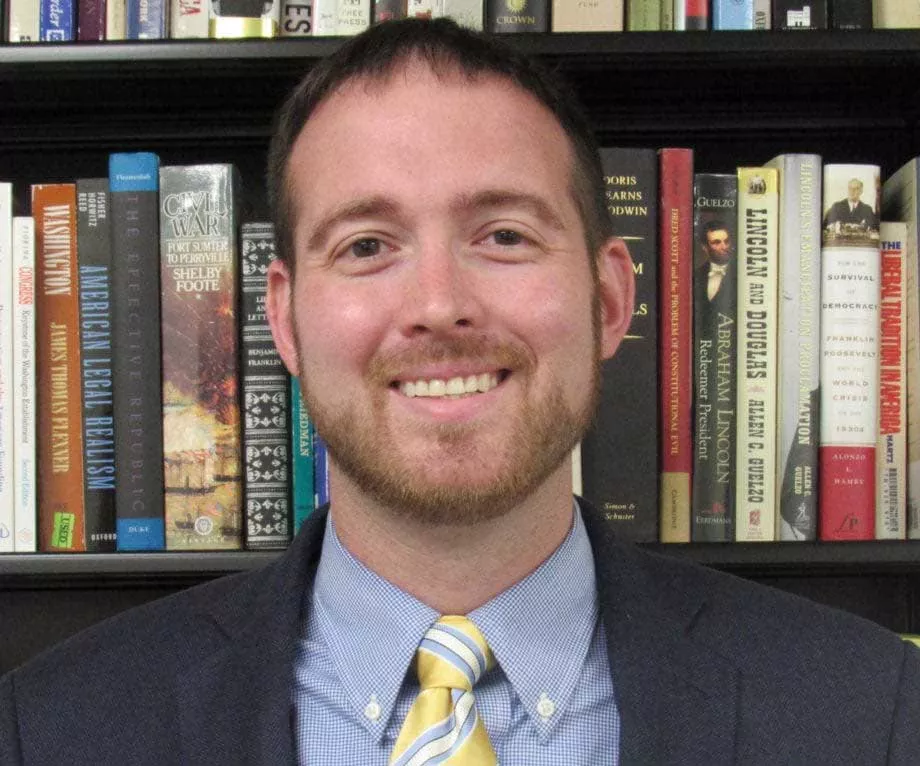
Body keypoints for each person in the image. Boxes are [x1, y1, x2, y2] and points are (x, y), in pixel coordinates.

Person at [2, 18, 919, 766]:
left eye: (505, 236)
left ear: (609, 300)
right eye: (366, 246)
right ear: (283, 320)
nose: (439, 305)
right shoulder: (49, 731)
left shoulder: (876, 715)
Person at [693, 219, 733, 308]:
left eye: (726, 241)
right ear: (705, 247)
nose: (724, 247)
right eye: (716, 242)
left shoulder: (742, 272)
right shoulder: (696, 275)